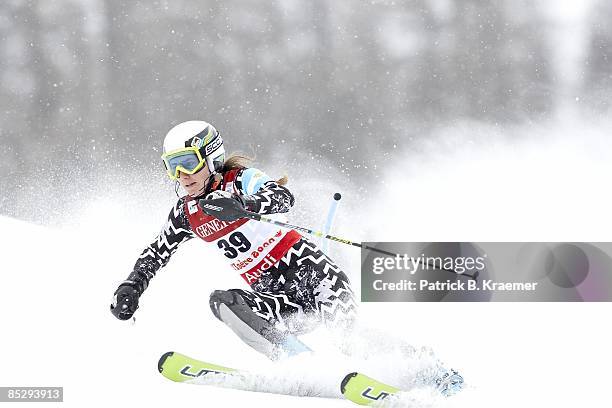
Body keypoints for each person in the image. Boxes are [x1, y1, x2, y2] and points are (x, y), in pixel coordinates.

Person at [110, 120, 357, 359]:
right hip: (280, 301)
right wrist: (132, 286)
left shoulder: (240, 180)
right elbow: (156, 253)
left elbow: (283, 196)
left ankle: (379, 360)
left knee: (350, 345)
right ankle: (295, 360)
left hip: (316, 278)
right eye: (172, 166)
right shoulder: (186, 213)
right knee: (224, 302)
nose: (182, 175)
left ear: (211, 157)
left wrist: (242, 203)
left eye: (188, 162)